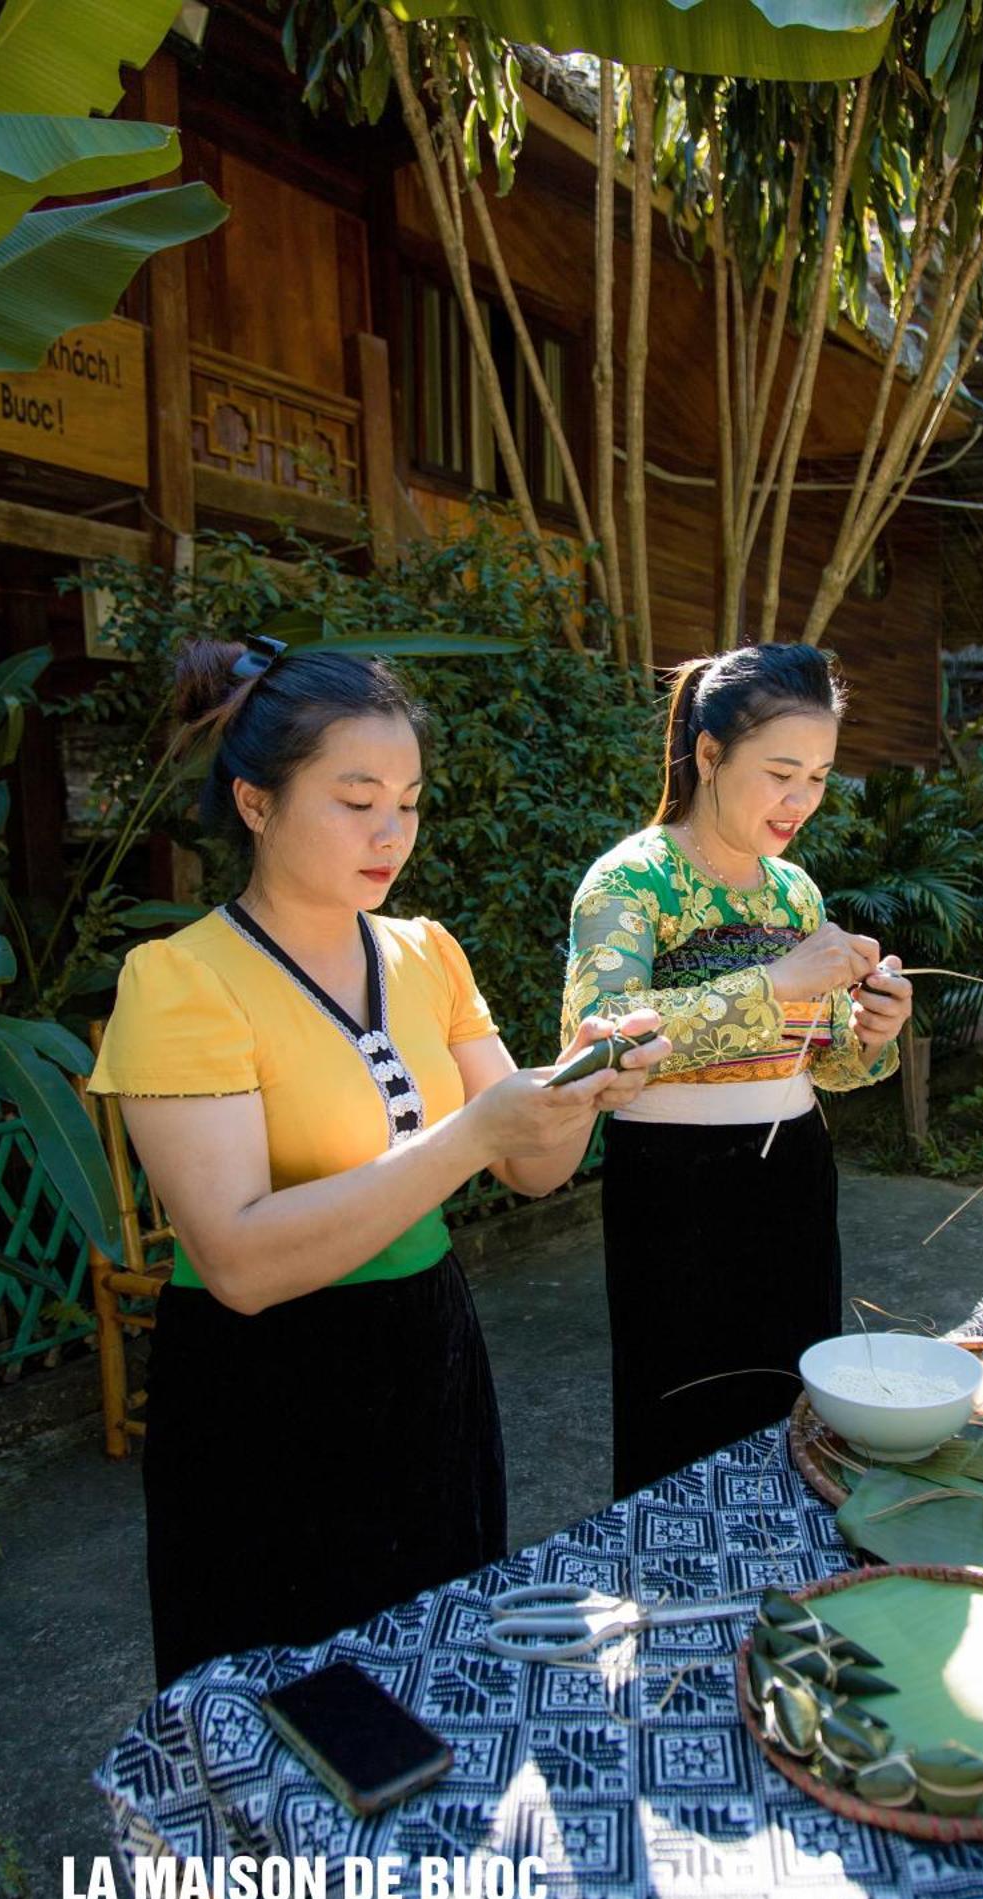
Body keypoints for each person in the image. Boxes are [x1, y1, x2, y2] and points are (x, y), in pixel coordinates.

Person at [89, 636, 668, 1695]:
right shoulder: (179, 980)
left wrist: (585, 1085)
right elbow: (241, 1260)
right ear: (257, 802)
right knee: (289, 1701)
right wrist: (476, 1133)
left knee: (440, 1667)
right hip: (264, 1386)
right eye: (356, 800)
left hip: (427, 1350)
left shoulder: (424, 951)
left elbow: (535, 1168)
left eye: (406, 800)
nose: (390, 832)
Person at [562, 642, 912, 1497]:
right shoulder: (630, 880)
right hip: (671, 1187)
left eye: (820, 779)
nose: (800, 803)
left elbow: (826, 1067)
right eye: (780, 773)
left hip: (791, 1170)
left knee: (793, 1403)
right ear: (710, 754)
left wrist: (872, 1029)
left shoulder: (794, 892)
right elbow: (594, 1044)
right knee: (679, 1413)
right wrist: (777, 983)